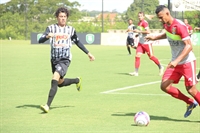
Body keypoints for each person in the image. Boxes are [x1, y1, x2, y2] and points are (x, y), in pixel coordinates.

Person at [145, 5, 200, 118]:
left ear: (167, 13)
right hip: (175, 62)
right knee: (164, 86)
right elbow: (168, 34)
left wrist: (176, 61)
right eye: (158, 18)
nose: (160, 20)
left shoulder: (179, 26)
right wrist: (155, 37)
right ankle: (190, 102)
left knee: (191, 90)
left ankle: (193, 100)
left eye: (161, 17)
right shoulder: (166, 25)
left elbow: (189, 46)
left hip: (187, 62)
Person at [38, 7, 95, 113]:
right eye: (61, 16)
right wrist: (47, 36)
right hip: (54, 59)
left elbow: (78, 42)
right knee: (59, 82)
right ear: (57, 17)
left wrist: (88, 53)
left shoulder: (71, 30)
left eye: (65, 17)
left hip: (65, 59)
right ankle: (77, 80)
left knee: (55, 77)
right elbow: (40, 40)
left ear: (67, 18)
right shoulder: (51, 28)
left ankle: (47, 105)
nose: (63, 19)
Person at [129, 12, 164, 76]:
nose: (139, 17)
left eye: (141, 16)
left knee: (151, 57)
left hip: (147, 43)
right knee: (137, 56)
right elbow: (141, 31)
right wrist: (137, 34)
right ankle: (136, 72)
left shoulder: (144, 23)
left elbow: (148, 31)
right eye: (139, 16)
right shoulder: (139, 23)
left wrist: (139, 31)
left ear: (143, 16)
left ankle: (160, 66)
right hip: (141, 43)